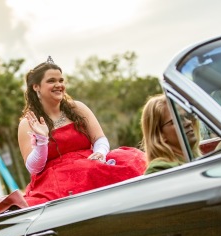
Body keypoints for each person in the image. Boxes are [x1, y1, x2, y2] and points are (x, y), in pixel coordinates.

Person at [18, 56, 146, 206]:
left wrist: (100, 153)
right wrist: (41, 140)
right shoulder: (28, 123)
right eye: (51, 81)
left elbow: (99, 139)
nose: (58, 85)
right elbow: (34, 168)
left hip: (91, 164)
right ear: (36, 87)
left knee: (133, 163)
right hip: (57, 179)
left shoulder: (77, 108)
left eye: (61, 80)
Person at [141, 94, 200, 175]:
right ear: (159, 135)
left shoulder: (191, 158)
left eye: (187, 116)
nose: (188, 122)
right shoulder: (159, 170)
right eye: (178, 120)